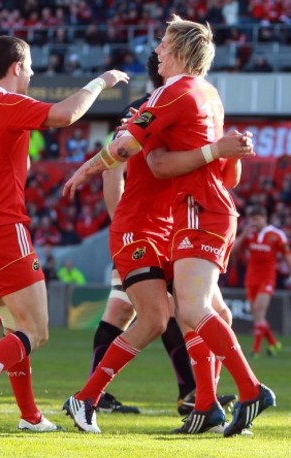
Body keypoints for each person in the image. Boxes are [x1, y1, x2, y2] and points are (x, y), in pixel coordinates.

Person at [62, 16, 274, 437]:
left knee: (187, 312)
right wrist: (221, 151)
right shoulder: (209, 95)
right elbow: (219, 173)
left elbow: (132, 153)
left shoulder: (170, 94)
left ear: (178, 52)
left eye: (163, 42)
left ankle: (246, 392)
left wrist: (86, 168)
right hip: (172, 217)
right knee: (188, 314)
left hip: (193, 212)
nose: (156, 49)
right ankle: (206, 405)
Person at [0, 35, 129, 433]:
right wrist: (102, 81)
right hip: (2, 229)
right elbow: (67, 115)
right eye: (30, 66)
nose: (33, 73)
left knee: (14, 328)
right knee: (36, 331)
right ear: (16, 67)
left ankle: (30, 415)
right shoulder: (5, 102)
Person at [89, 52, 235, 418]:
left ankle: (200, 397)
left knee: (191, 310)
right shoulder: (150, 112)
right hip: (147, 231)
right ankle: (94, 394)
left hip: (169, 228)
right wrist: (124, 231)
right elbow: (116, 169)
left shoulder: (175, 106)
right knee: (142, 309)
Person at [233, 204, 290, 357]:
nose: (254, 223)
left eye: (257, 219)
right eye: (252, 220)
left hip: (268, 278)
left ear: (265, 218)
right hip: (251, 279)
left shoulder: (276, 235)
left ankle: (255, 350)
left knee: (259, 310)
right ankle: (273, 343)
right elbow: (234, 250)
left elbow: (287, 255)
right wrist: (244, 234)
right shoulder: (249, 234)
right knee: (257, 315)